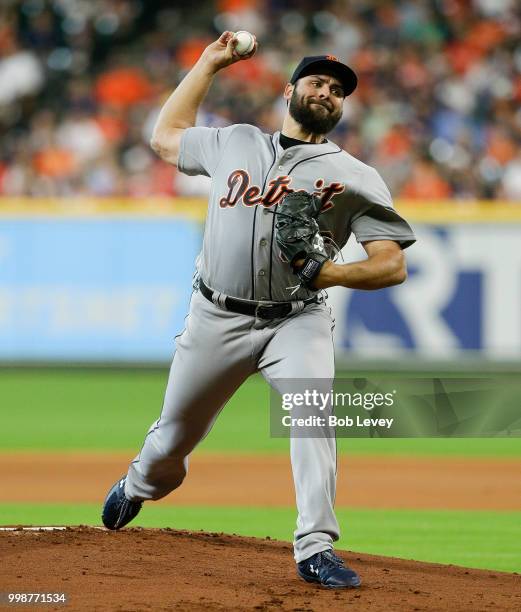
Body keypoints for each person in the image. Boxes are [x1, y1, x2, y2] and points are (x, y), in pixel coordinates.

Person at [102, 31, 416, 589]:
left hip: (297, 320)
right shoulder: (235, 142)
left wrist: (331, 272)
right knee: (173, 439)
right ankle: (139, 484)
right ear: (289, 90)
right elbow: (165, 136)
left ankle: (315, 545)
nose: (328, 91)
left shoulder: (355, 176)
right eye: (317, 81)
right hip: (214, 317)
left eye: (338, 89)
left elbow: (391, 264)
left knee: (314, 413)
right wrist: (208, 62)